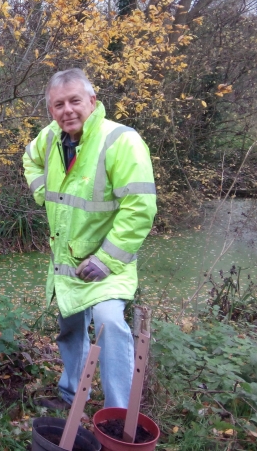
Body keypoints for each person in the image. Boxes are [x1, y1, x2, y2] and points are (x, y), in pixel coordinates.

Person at [22, 68, 157, 411]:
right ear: (50, 109)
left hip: (108, 264)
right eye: (58, 104)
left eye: (74, 101)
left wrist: (106, 259)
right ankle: (71, 397)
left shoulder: (120, 140)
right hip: (67, 264)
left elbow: (139, 207)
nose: (67, 110)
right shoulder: (50, 139)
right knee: (70, 328)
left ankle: (118, 415)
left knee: (110, 324)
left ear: (93, 102)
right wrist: (43, 194)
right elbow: (29, 159)